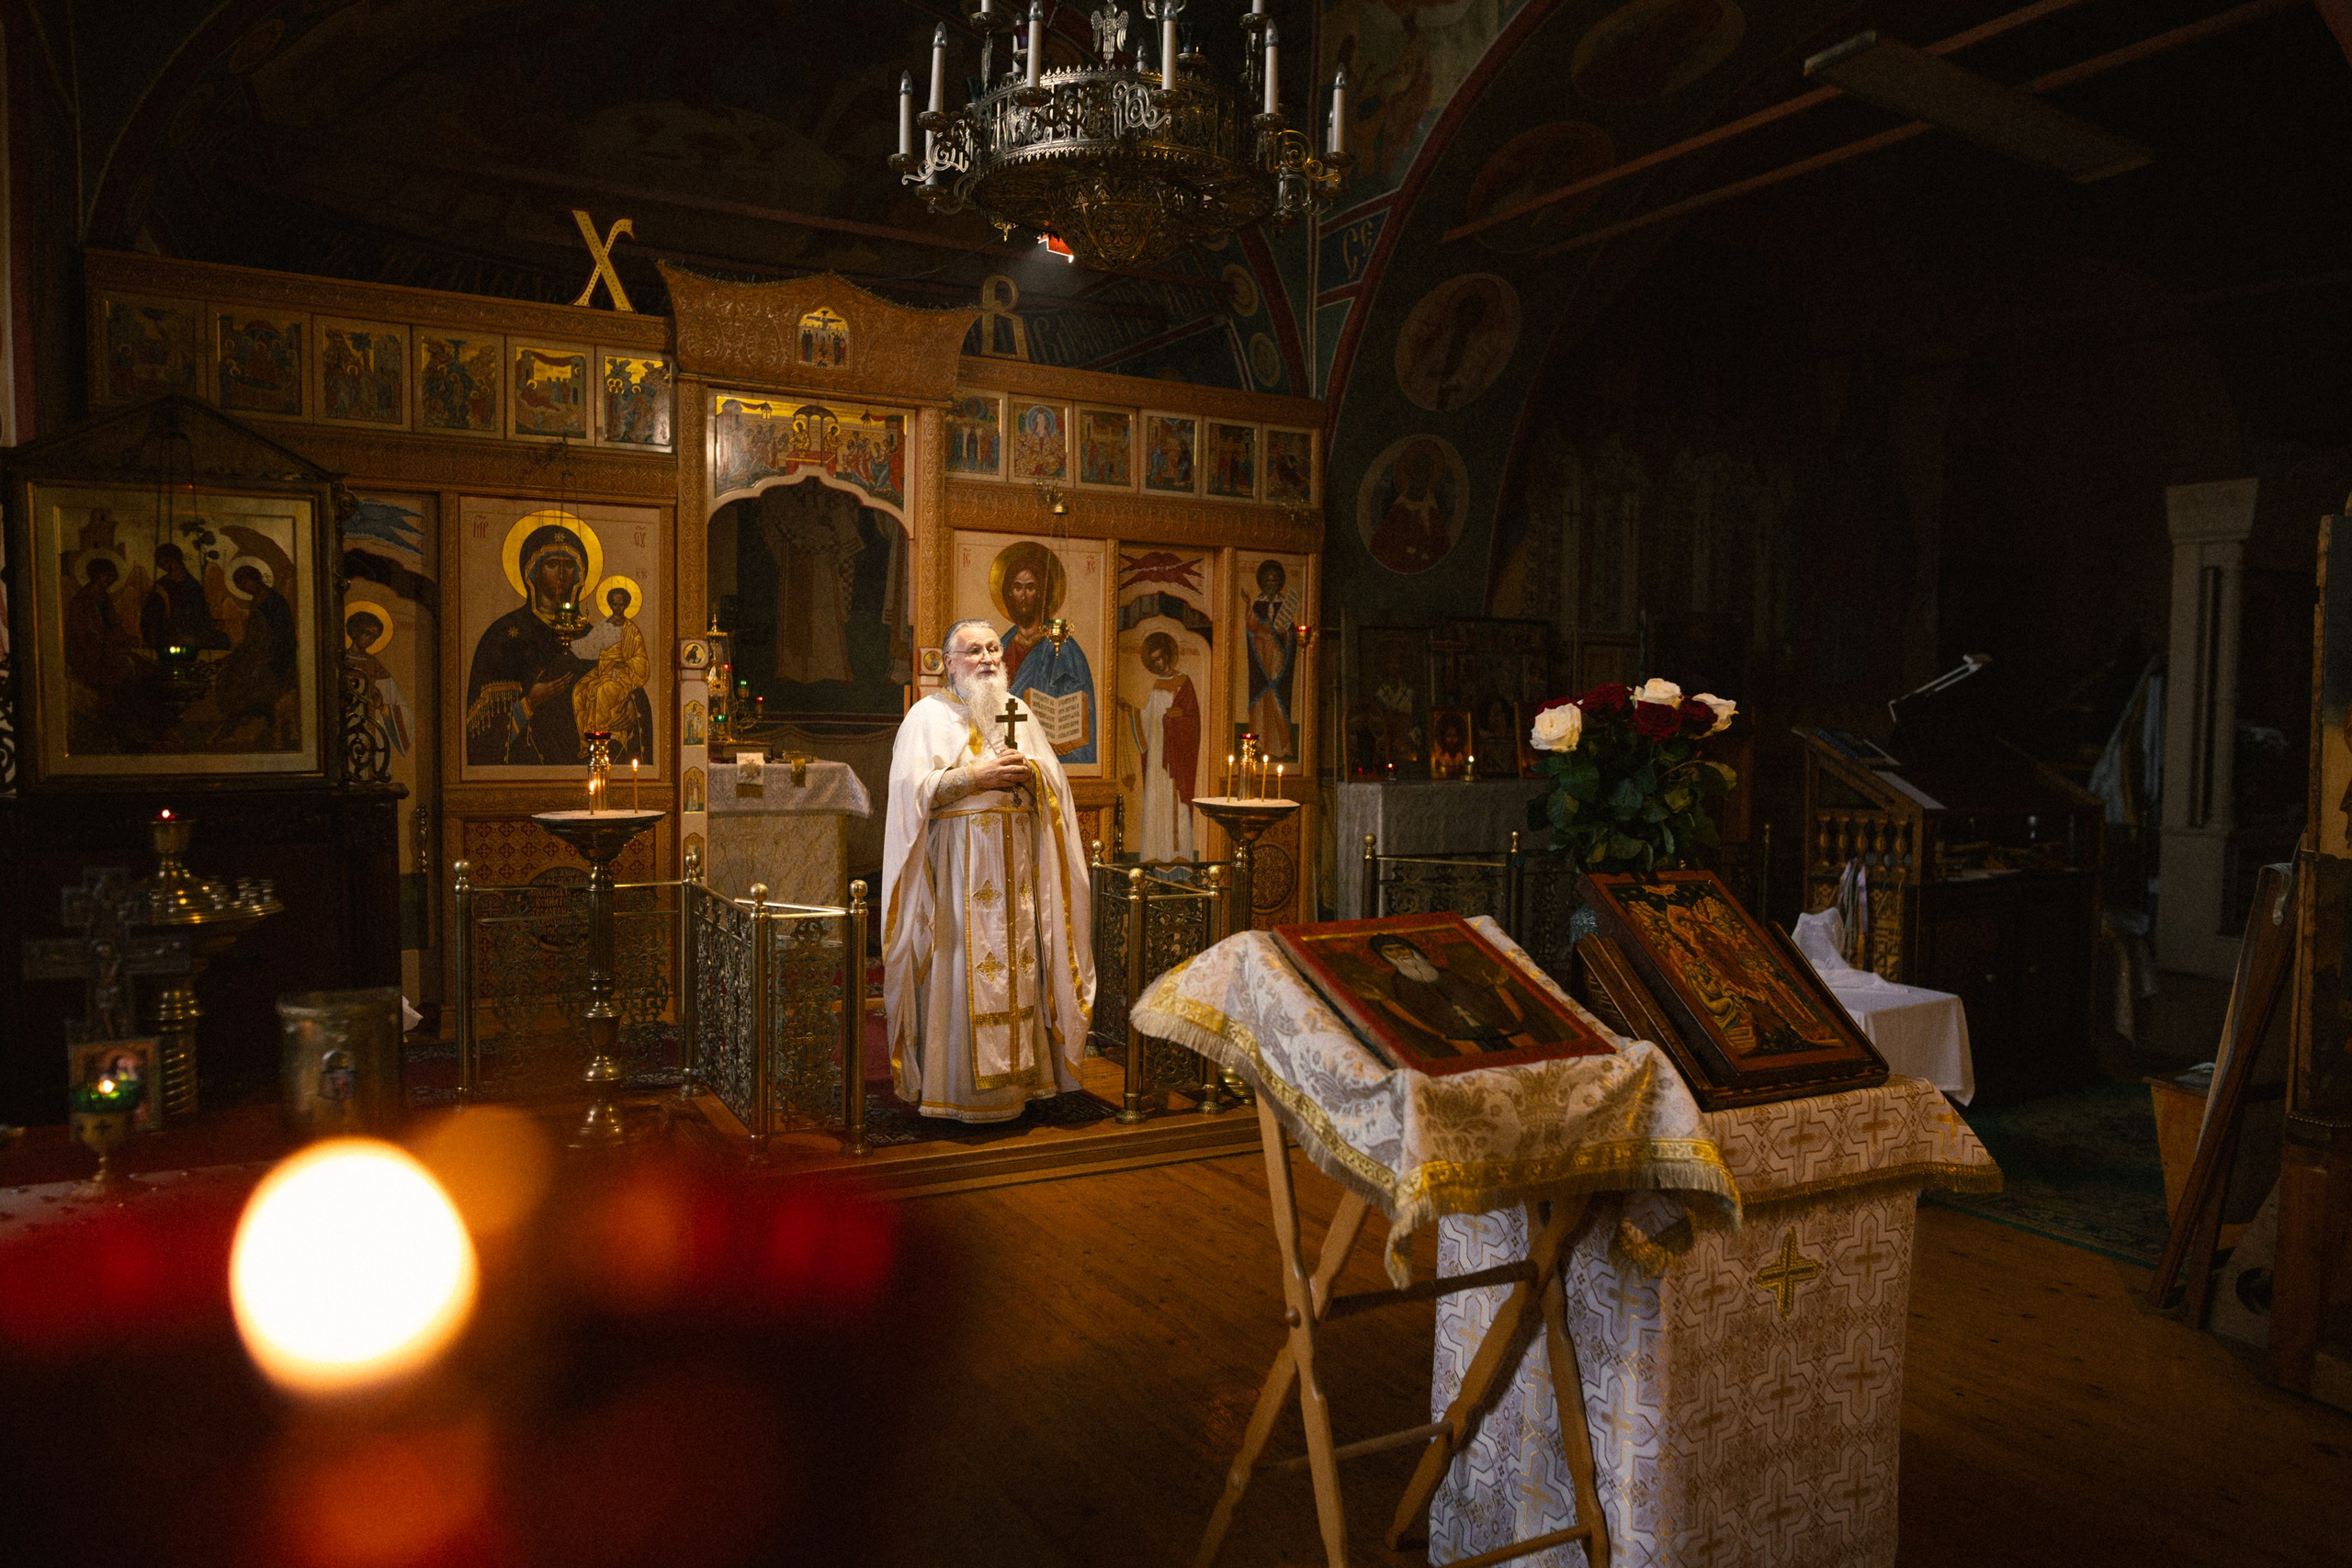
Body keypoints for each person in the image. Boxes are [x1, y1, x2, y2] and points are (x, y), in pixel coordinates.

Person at [881, 619, 1093, 1122]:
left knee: (1019, 964)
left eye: (993, 648)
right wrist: (974, 778)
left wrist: (1033, 774)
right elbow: (911, 794)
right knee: (959, 968)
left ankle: (1021, 1087)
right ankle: (955, 1092)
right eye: (973, 651)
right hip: (957, 866)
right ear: (949, 663)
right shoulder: (925, 716)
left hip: (1014, 863)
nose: (987, 658)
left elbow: (1055, 786)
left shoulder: (1017, 712)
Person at [464, 522, 594, 765]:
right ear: (532, 571)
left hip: (578, 761)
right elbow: (478, 725)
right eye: (552, 564)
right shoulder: (504, 634)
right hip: (526, 760)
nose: (562, 573)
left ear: (579, 573)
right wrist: (530, 702)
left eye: (569, 565)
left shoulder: (589, 634)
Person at [995, 543, 1096, 764]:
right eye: (1017, 587)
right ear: (1008, 593)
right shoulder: (1001, 646)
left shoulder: (1064, 646)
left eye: (1030, 588)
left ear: (1042, 593)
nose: (1023, 596)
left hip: (1047, 752)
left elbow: (1078, 703)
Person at [1120, 632, 1199, 862]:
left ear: (1168, 656)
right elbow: (1149, 717)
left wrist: (1174, 718)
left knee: (1175, 803)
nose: (1159, 663)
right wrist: (1131, 712)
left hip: (1175, 755)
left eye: (1161, 658)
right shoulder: (1157, 684)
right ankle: (1155, 855)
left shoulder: (1184, 682)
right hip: (1157, 755)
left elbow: (1192, 718)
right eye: (1154, 661)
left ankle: (1177, 856)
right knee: (1156, 800)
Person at [212, 563, 298, 747]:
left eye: (244, 581)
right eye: (239, 584)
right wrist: (234, 656)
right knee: (226, 676)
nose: (243, 586)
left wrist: (270, 658)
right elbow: (251, 638)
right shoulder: (255, 603)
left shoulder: (276, 602)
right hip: (254, 654)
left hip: (277, 657)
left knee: (250, 679)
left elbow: (285, 636)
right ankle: (234, 721)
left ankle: (243, 719)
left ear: (255, 578)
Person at [571, 582, 654, 761]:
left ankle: (603, 741)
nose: (617, 608)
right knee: (579, 692)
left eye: (621, 604)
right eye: (614, 604)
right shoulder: (603, 626)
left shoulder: (632, 631)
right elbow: (589, 647)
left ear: (626, 605)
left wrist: (622, 663)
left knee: (603, 692)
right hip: (602, 671)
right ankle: (586, 743)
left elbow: (641, 660)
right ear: (610, 605)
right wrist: (569, 644)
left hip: (623, 675)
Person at [1245, 560, 1296, 760]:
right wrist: (1250, 612)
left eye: (1274, 580)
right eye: (1267, 580)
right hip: (1260, 654)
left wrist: (1283, 634)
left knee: (1276, 696)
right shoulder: (1259, 603)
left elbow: (1290, 633)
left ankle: (1282, 747)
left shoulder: (1285, 605)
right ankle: (1258, 746)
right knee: (1261, 698)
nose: (1270, 584)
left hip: (1278, 655)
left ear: (1279, 582)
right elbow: (1251, 627)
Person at [139, 543, 227, 651]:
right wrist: (166, 600)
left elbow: (200, 612)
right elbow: (153, 619)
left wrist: (213, 623)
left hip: (191, 630)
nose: (167, 567)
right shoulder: (161, 586)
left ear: (177, 559)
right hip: (170, 632)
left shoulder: (192, 585)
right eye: (163, 565)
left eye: (168, 562)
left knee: (221, 639)